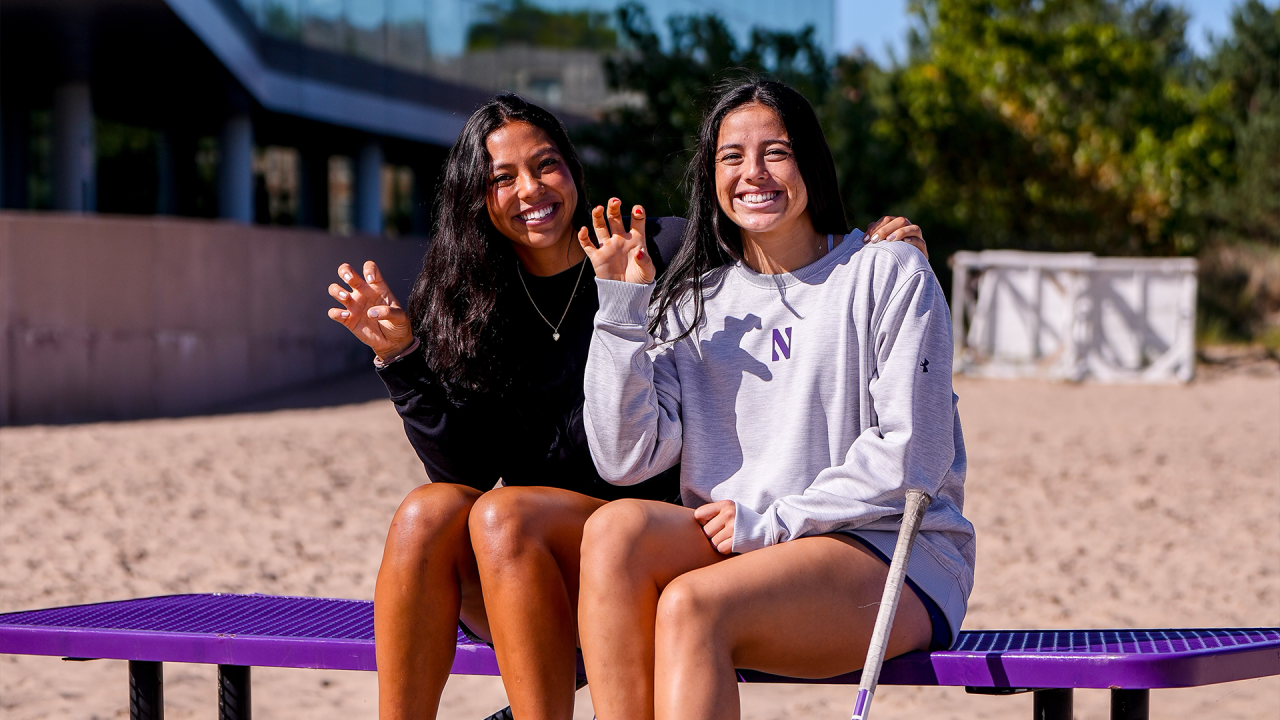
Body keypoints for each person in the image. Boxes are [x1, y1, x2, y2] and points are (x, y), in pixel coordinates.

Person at [326, 93, 929, 720]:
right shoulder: (468, 300)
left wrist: (869, 245)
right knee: (428, 512)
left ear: (574, 171)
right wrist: (402, 361)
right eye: (502, 178)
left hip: (653, 534)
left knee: (508, 514)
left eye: (545, 165)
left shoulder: (655, 250)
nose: (530, 189)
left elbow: (772, 236)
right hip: (531, 565)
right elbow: (466, 471)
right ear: (476, 198)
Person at [576, 79, 976, 720]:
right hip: (747, 548)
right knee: (613, 530)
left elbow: (914, 457)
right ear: (711, 178)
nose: (753, 173)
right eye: (731, 157)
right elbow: (625, 457)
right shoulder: (693, 303)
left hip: (885, 551)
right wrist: (621, 311)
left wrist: (774, 522)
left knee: (691, 604)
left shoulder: (887, 271)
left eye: (776, 152)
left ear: (810, 162)